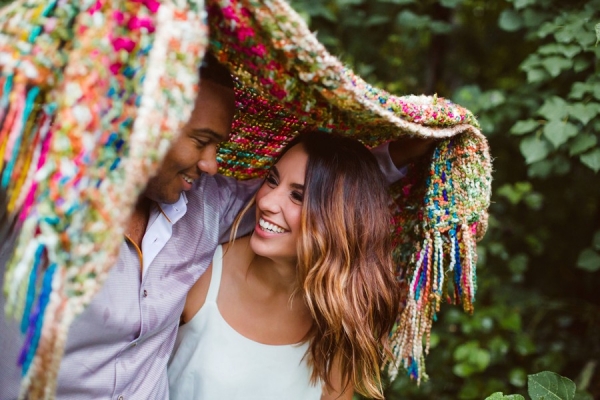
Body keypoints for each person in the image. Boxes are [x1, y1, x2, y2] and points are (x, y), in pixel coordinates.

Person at [0, 53, 430, 399]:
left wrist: (415, 142)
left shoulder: (206, 205)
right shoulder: (35, 201)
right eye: (202, 141)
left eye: (218, 146)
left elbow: (333, 197)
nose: (211, 163)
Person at [168, 131, 401, 400]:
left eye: (298, 196)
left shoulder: (339, 320)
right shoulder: (203, 272)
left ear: (340, 221)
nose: (265, 201)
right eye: (272, 180)